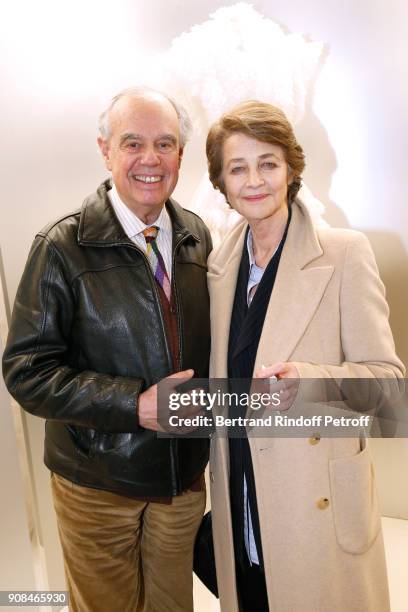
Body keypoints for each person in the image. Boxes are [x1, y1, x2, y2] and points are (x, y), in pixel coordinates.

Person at [2, 87, 212, 612]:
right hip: (97, 486)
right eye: (132, 142)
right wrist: (134, 404)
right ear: (105, 150)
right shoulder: (60, 246)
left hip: (180, 484)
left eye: (165, 144)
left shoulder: (197, 237)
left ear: (181, 156)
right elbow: (26, 370)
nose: (150, 158)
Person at [205, 100, 405, 611]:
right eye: (238, 167)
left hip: (317, 502)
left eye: (268, 163)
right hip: (243, 492)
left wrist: (310, 381)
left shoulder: (344, 253)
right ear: (221, 183)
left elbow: (390, 387)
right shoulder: (218, 268)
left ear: (290, 169)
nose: (254, 181)